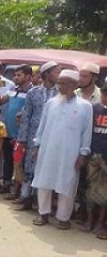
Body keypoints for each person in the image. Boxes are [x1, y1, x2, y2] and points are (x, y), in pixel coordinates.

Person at [32, 70, 93, 230]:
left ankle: (63, 217)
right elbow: (42, 126)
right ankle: (43, 213)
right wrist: (37, 145)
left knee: (67, 184)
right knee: (44, 181)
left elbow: (86, 132)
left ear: (74, 85)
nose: (59, 86)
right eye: (59, 83)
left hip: (70, 153)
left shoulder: (85, 106)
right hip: (48, 150)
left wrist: (83, 153)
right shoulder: (51, 103)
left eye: (64, 83)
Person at [15, 61, 61, 211]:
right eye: (57, 72)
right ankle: (26, 199)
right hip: (33, 137)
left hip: (52, 138)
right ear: (47, 74)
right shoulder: (33, 92)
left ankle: (43, 204)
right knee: (29, 167)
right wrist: (22, 139)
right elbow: (26, 116)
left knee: (48, 169)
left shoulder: (60, 94)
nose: (59, 76)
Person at [0, 65, 33, 197]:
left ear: (28, 76)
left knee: (19, 163)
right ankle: (6, 186)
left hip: (20, 135)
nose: (16, 77)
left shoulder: (32, 92)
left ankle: (17, 191)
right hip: (8, 132)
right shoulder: (12, 89)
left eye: (19, 75)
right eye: (15, 75)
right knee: (7, 160)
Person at [83, 86, 107, 238]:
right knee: (89, 189)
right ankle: (89, 219)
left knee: (105, 193)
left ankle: (100, 222)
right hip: (93, 155)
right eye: (104, 94)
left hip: (106, 158)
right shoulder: (94, 109)